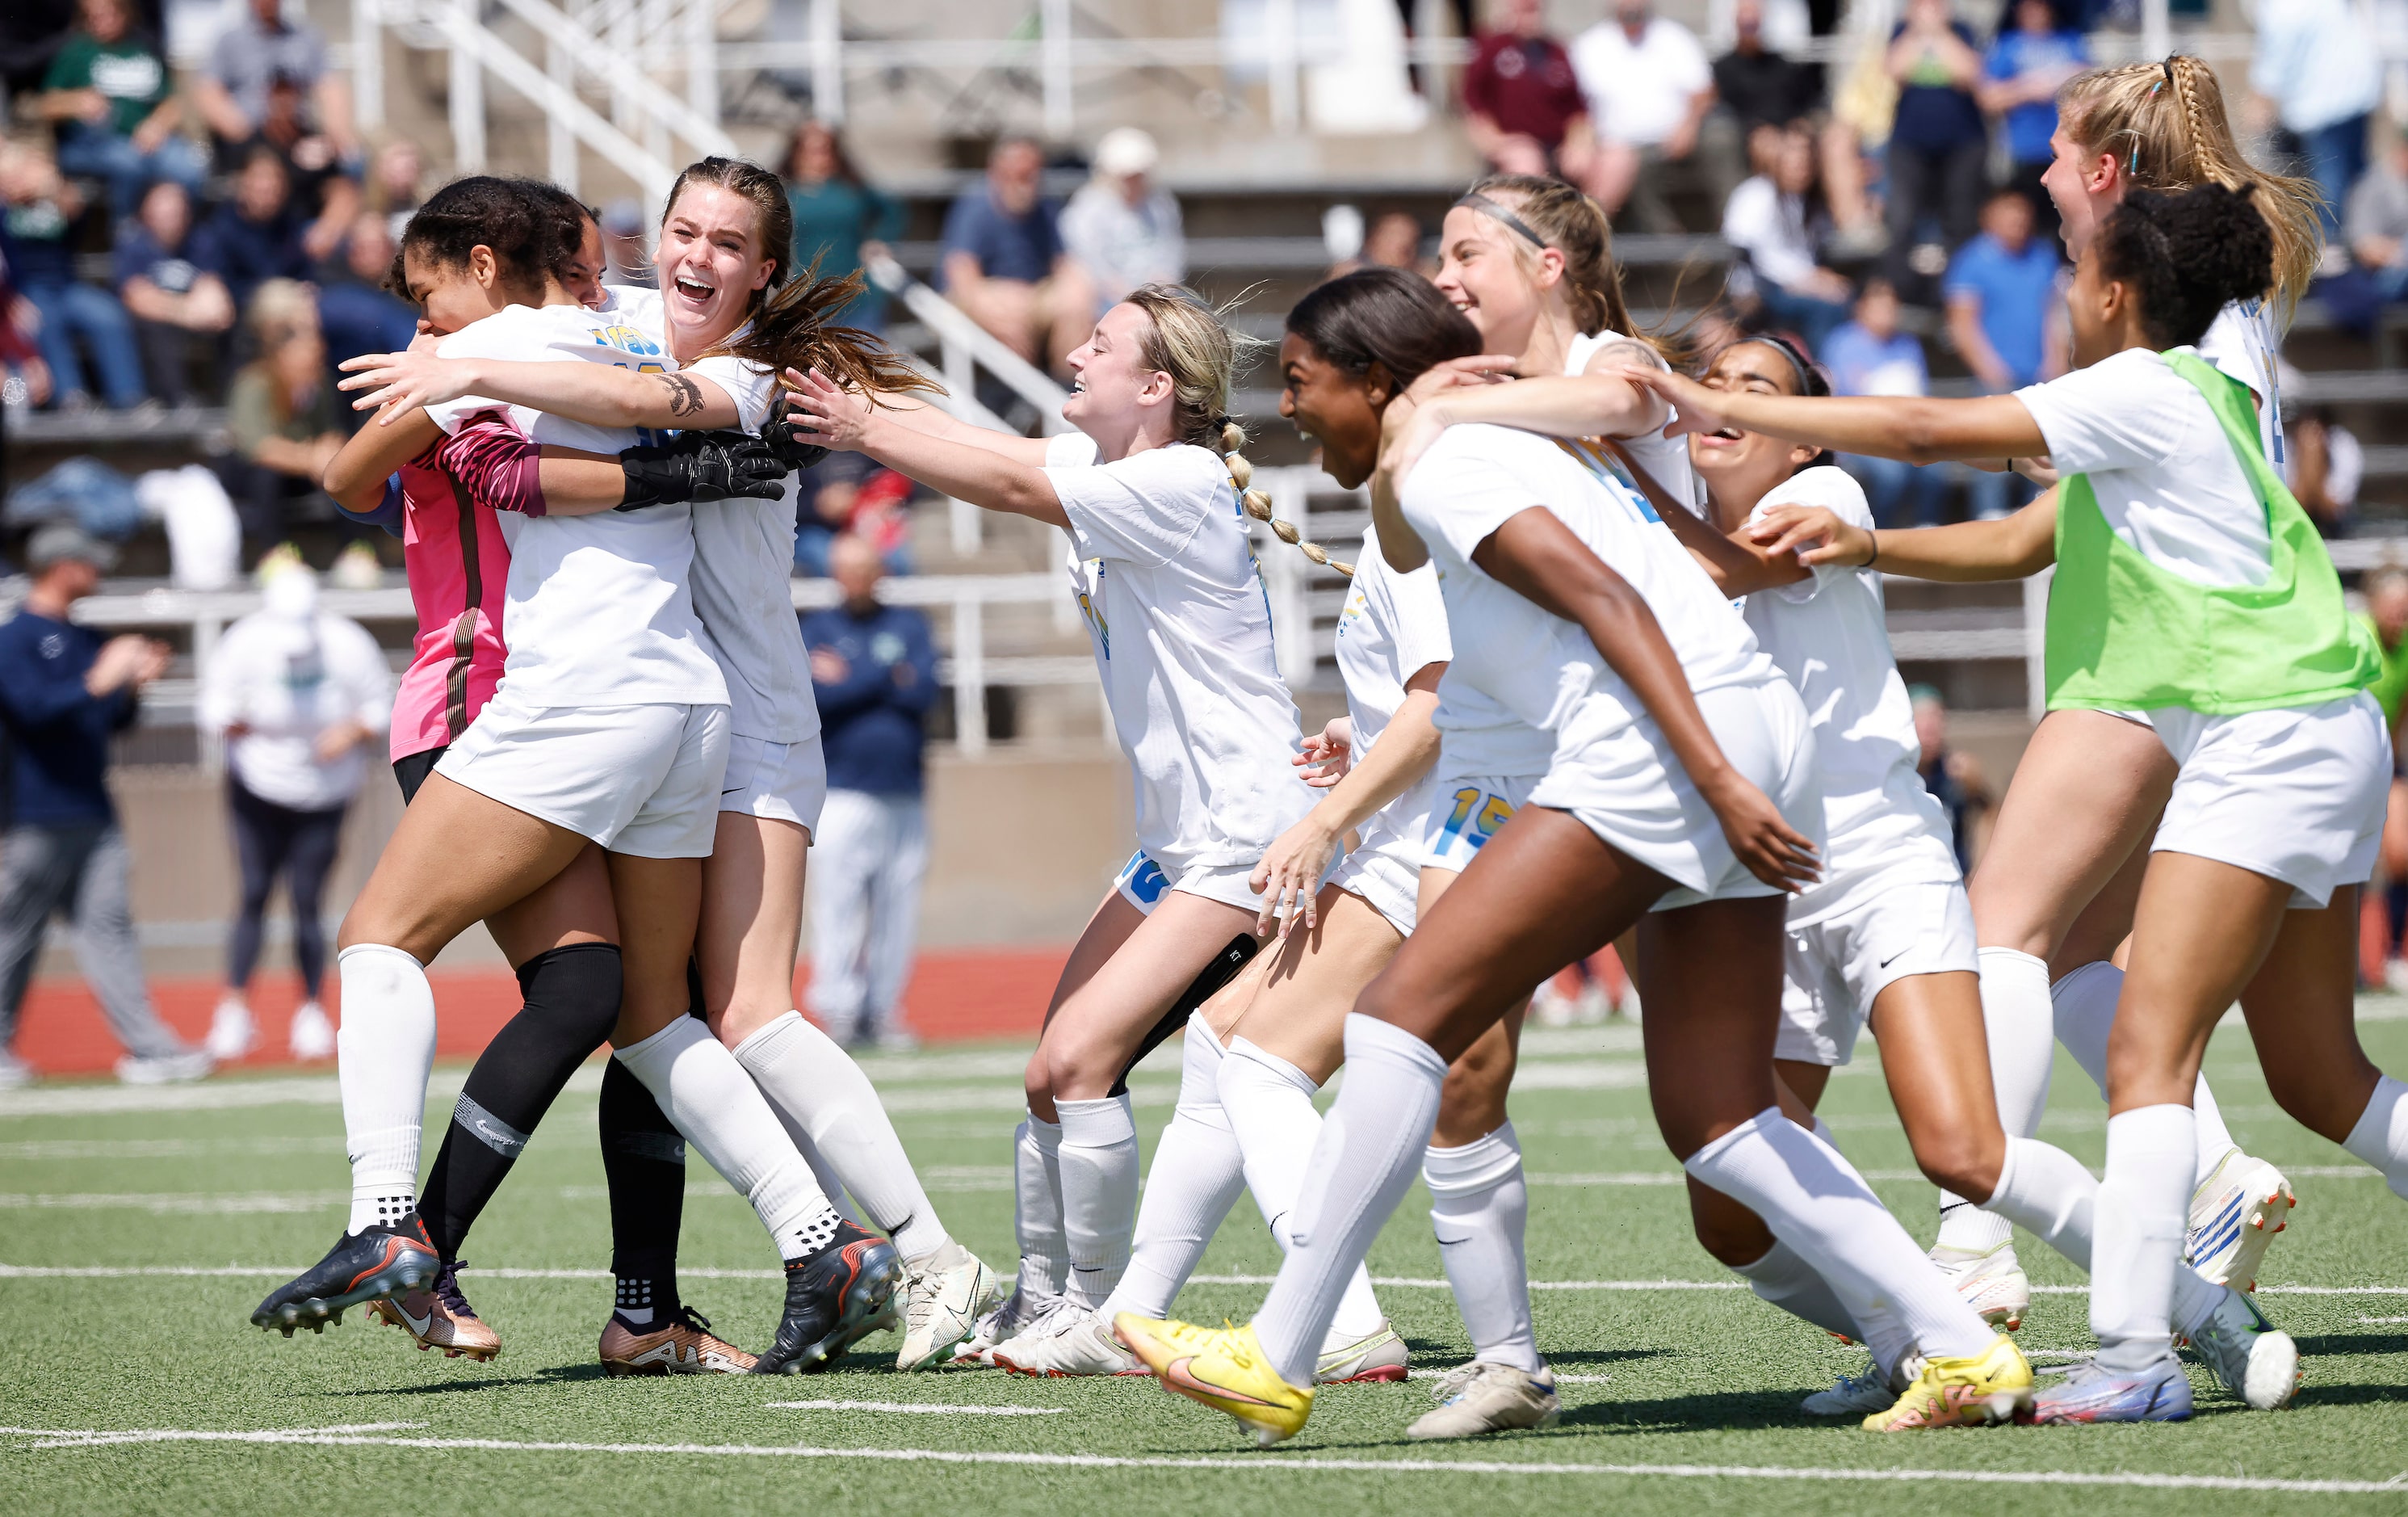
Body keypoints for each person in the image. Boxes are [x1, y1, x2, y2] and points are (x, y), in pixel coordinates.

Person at [1116, 264, 2036, 1446]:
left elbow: (1607, 601)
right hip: (1744, 722)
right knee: (1721, 1117)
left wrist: (1710, 777)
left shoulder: (1455, 461)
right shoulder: (1458, 451)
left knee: (1398, 1018)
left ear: (1372, 378)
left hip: (1668, 744)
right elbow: (1438, 527)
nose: (1288, 408)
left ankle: (1280, 1351)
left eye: (1301, 381)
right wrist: (1432, 414)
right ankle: (1954, 1341)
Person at [1701, 180, 2408, 1421]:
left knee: (2144, 1046)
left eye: (2079, 265)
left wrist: (1708, 396)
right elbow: (2027, 536)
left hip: (2267, 732)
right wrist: (1864, 546)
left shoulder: (2138, 387)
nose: (2065, 286)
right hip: (2322, 722)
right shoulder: (2200, 388)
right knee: (2309, 1070)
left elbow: (1923, 431)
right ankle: (2122, 1322)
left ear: (2118, 294)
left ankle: (2133, 1356)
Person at [329, 164, 1004, 1375]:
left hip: (742, 725)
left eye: (725, 241)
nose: (689, 255)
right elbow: (498, 403)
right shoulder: (624, 325)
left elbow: (631, 395)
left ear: (762, 270)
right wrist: (458, 361)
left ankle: (923, 1253)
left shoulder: (746, 372)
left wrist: (465, 365)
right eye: (679, 230)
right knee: (647, 1010)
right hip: (657, 714)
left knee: (740, 1010)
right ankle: (701, 1288)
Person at [1641, 332, 2297, 1420]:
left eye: (1758, 388)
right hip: (1757, 891)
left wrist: (1601, 480)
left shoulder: (1822, 487)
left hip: (1880, 863)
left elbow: (1727, 567)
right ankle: (1913, 1335)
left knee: (1963, 1151)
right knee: (1727, 1207)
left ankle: (2195, 1305)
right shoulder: (1670, 505)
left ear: (1806, 436)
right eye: (1709, 384)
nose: (1725, 402)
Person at [782, 284, 1319, 1375]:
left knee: (1080, 1065)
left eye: (1100, 344)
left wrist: (855, 425)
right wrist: (854, 388)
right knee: (1045, 1076)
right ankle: (1042, 1300)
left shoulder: (1170, 480)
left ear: (1157, 387)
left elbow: (1007, 476)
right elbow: (977, 442)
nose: (1074, 354)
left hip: (1245, 837)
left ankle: (1096, 1313)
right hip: (1177, 845)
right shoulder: (1117, 468)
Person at [0, 524, 202, 1090]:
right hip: (35, 815)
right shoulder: (14, 638)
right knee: (15, 934)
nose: (99, 572)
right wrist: (99, 679)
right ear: (62, 565)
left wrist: (132, 686)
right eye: (89, 563)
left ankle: (149, 1048)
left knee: (110, 928)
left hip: (93, 809)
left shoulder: (87, 638)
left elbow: (109, 723)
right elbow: (32, 712)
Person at [198, 562, 391, 1065]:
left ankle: (311, 1012)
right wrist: (232, 722)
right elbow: (213, 704)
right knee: (255, 892)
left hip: (325, 792)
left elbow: (380, 704)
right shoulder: (244, 641)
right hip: (256, 785)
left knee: (308, 901)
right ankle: (235, 1010)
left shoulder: (348, 643)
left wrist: (351, 732)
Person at [801, 533, 938, 1053]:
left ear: (881, 572)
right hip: (841, 791)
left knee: (896, 908)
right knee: (837, 904)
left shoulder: (909, 624)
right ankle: (836, 1007)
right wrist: (886, 676)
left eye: (865, 568)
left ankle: (883, 1010)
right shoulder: (817, 628)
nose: (855, 578)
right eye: (846, 569)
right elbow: (818, 698)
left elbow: (924, 690)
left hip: (905, 791)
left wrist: (855, 677)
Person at [1944, 189, 2064, 518]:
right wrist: (1990, 368)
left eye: (2022, 216)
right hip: (1996, 378)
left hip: (2039, 375)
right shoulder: (1972, 260)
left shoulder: (2041, 254)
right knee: (1992, 455)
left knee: (2041, 455)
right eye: (2010, 216)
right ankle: (1989, 523)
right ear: (1989, 219)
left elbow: (2052, 312)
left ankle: (2037, 524)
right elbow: (1962, 321)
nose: (2018, 223)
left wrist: (2055, 359)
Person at [1, 140, 145, 411]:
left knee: (108, 315)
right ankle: (71, 397)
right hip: (28, 290)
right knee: (45, 322)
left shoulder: (57, 200)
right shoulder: (4, 209)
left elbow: (79, 218)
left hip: (66, 285)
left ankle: (129, 397)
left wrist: (55, 189)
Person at [34, 0, 207, 217]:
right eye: (93, 17)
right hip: (93, 143)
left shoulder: (144, 47)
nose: (101, 22)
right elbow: (45, 105)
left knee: (190, 168)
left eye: (108, 14)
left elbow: (173, 102)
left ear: (125, 13)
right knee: (128, 164)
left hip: (147, 140)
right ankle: (127, 233)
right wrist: (76, 102)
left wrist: (157, 125)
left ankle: (184, 238)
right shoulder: (76, 51)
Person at [939, 137, 1096, 372]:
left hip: (1031, 295)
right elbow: (961, 271)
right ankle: (1019, 394)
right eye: (1019, 174)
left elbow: (1063, 263)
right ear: (997, 173)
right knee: (1008, 307)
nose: (1027, 183)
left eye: (1033, 174)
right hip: (985, 293)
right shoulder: (976, 204)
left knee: (1075, 301)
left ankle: (1068, 384)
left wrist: (1078, 291)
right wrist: (991, 303)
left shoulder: (1045, 206)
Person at [221, 282, 346, 558]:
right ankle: (274, 554)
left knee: (347, 471)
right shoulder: (253, 383)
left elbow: (331, 430)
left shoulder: (321, 384)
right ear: (282, 354)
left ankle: (354, 551)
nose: (314, 359)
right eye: (304, 351)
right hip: (254, 472)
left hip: (305, 467)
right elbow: (258, 447)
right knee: (267, 477)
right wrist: (311, 459)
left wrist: (330, 454)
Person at [1569, 0, 1715, 233]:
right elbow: (1575, 105)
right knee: (1623, 165)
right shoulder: (1589, 45)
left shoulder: (1673, 37)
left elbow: (1703, 93)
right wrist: (1579, 140)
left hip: (1671, 141)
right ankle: (1665, 242)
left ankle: (1731, 236)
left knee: (1721, 139)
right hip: (1613, 146)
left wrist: (1688, 126)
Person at [2252, 0, 2381, 242]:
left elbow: (2273, 65)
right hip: (2355, 96)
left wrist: (2259, 106)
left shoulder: (2284, 9)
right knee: (2351, 188)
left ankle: (2327, 260)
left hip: (2325, 107)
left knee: (2327, 196)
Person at [1882, 0, 1988, 294]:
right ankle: (1901, 290)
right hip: (1910, 141)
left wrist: (1939, 33)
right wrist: (1917, 32)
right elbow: (1894, 69)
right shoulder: (1902, 31)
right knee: (1902, 220)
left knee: (1961, 220)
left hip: (1962, 142)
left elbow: (1969, 73)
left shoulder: (1963, 31)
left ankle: (1959, 289)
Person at [1823, 277, 1948, 527]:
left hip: (1906, 430)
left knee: (1936, 472)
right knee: (1892, 475)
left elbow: (1918, 389)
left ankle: (1926, 529)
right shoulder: (1842, 343)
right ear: (1862, 308)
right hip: (1858, 436)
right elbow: (1846, 394)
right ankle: (1878, 532)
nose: (1887, 314)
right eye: (1879, 307)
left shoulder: (1907, 345)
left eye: (1891, 307)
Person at [1722, 123, 1853, 354]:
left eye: (1806, 161)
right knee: (1823, 309)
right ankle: (1820, 375)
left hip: (1798, 284)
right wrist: (1806, 280)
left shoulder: (1811, 204)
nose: (1800, 167)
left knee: (1848, 297)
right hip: (1760, 289)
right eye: (1793, 159)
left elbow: (1816, 252)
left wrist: (1818, 280)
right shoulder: (1755, 195)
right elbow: (1744, 256)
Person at [194, 0, 355, 170]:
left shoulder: (307, 38)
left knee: (350, 166)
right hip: (249, 140)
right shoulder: (229, 41)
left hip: (296, 137)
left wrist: (335, 135)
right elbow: (208, 91)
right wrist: (240, 131)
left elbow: (330, 86)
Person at [115, 179, 234, 408]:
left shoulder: (200, 240)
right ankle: (176, 402)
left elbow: (214, 288)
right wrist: (184, 312)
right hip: (157, 318)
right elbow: (136, 297)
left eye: (177, 208)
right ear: (146, 212)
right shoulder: (134, 242)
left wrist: (213, 308)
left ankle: (227, 400)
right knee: (156, 327)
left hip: (191, 314)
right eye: (163, 208)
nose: (171, 215)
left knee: (229, 325)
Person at [1978, 0, 2086, 237]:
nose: (2036, 13)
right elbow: (1989, 98)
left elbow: (2089, 84)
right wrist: (2027, 89)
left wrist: (2060, 80)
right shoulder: (2007, 46)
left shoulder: (2069, 41)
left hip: (2066, 146)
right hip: (2024, 150)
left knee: (2067, 214)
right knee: (2029, 217)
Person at [1459, 0, 1595, 182]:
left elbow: (1577, 110)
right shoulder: (1491, 46)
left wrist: (1579, 144)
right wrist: (1498, 143)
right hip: (1513, 144)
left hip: (1557, 145)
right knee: (1527, 162)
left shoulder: (1556, 50)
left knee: (1603, 163)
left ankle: (1593, 210)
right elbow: (1473, 105)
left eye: (1533, 8)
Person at [783, 120, 900, 329]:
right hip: (807, 296)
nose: (819, 157)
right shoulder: (786, 193)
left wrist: (879, 240)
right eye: (810, 150)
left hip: (856, 291)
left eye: (825, 149)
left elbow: (892, 213)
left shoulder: (851, 188)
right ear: (796, 152)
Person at [1705, 0, 1817, 209]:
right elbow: (1722, 112)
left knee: (1797, 148)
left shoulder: (1784, 66)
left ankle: (1795, 219)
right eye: (1746, 22)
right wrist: (1758, 132)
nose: (1750, 26)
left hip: (1785, 133)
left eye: (1754, 22)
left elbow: (1805, 106)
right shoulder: (1722, 69)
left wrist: (1793, 132)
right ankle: (1743, 214)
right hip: (1746, 137)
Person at [1059, 128, 1186, 313]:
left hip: (1157, 294)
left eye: (1138, 175)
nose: (1133, 181)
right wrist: (1125, 293)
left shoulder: (1161, 204)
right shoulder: (1089, 207)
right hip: (1106, 298)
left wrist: (1161, 287)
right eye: (1127, 176)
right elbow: (1090, 261)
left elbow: (1171, 252)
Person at [196, 147, 313, 315]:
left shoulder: (290, 225)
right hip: (245, 317)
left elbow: (304, 272)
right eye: (260, 178)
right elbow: (221, 286)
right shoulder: (222, 228)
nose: (268, 186)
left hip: (292, 309)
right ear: (244, 183)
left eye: (275, 179)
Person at [316, 213, 417, 379]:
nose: (373, 255)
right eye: (364, 247)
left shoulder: (404, 287)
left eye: (379, 247)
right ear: (351, 252)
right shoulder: (333, 284)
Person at [1911, 685, 1990, 872]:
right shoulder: (1896, 778)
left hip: (1955, 878)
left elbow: (1989, 818)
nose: (1930, 728)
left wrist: (1976, 788)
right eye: (1921, 719)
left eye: (1936, 718)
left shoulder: (1956, 772)